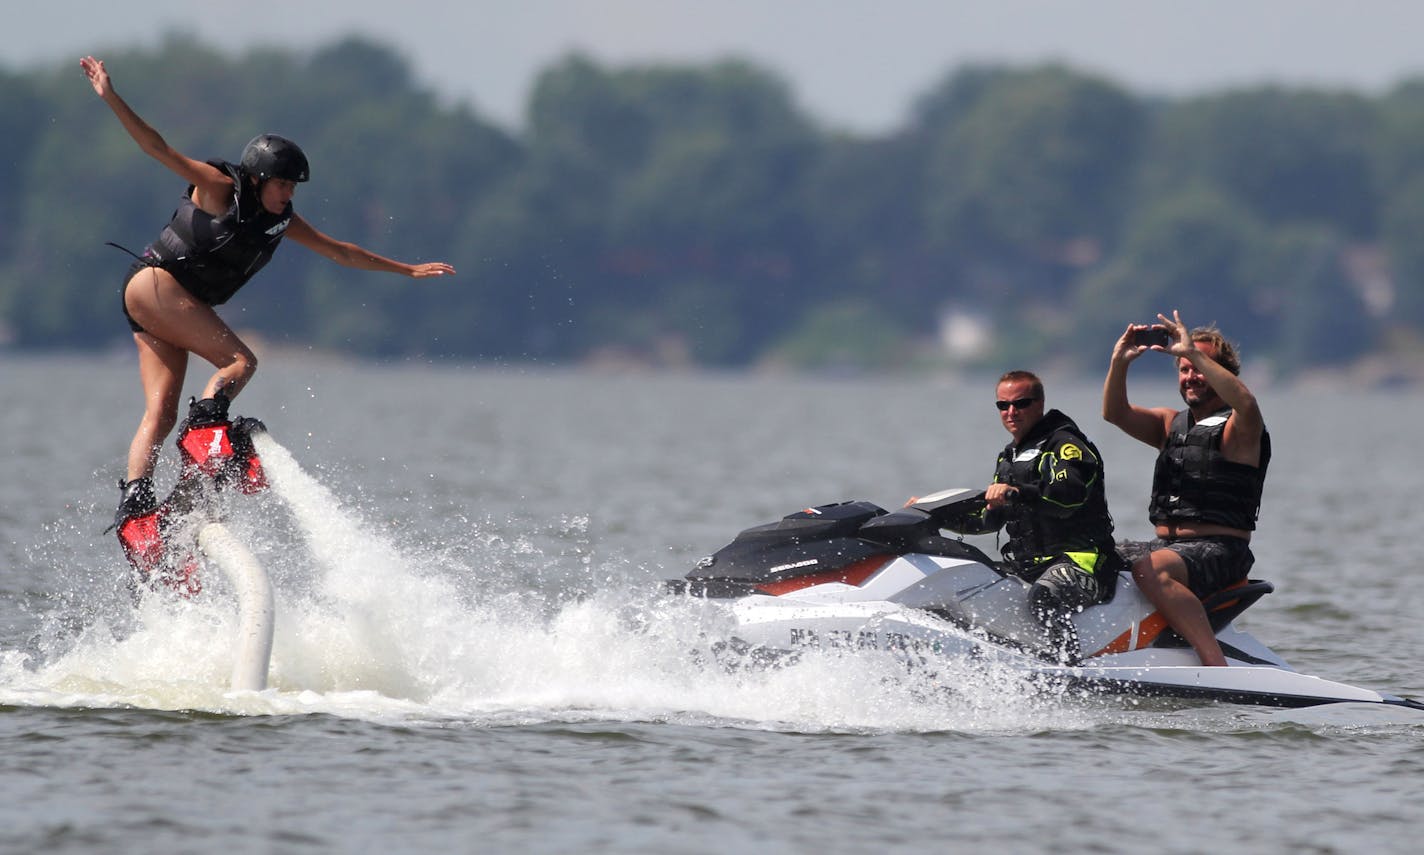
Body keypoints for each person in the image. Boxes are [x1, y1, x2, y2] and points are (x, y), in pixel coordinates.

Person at [80, 56, 456, 531]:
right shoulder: (219, 188)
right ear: (257, 178)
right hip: (157, 285)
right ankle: (204, 432)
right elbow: (158, 148)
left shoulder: (281, 220)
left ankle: (137, 506)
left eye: (293, 186)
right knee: (241, 362)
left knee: (162, 407)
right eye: (281, 184)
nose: (288, 194)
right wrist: (112, 97)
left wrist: (407, 270)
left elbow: (340, 251)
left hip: (160, 303)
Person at [1102, 311, 1270, 667]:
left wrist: (1192, 352)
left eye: (1198, 367)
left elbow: (1247, 402)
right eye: (1184, 369)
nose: (1191, 376)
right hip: (1167, 546)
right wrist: (1119, 361)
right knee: (1089, 555)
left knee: (1151, 569)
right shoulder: (1170, 423)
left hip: (1221, 552)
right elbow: (1114, 413)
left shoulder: (1241, 427)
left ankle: (1213, 663)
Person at [954, 370, 1120, 662]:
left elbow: (1067, 499)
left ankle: (1068, 667)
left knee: (1044, 596)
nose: (1011, 412)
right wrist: (933, 514)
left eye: (1021, 403)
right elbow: (988, 521)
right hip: (1029, 565)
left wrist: (1016, 493)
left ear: (1040, 404)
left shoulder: (1066, 444)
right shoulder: (1009, 457)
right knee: (970, 586)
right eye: (1003, 406)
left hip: (1083, 561)